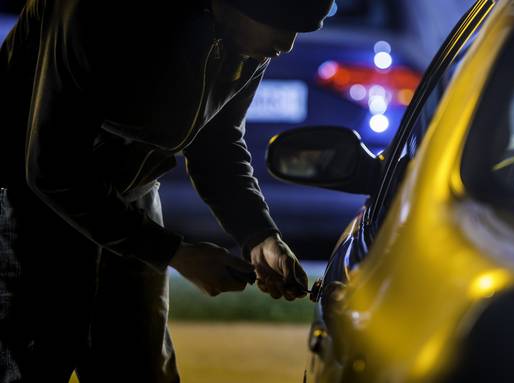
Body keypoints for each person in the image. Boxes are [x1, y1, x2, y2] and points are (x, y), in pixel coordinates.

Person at [0, 0, 334, 381]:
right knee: (31, 361)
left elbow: (217, 143)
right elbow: (52, 167)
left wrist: (259, 235)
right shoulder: (98, 13)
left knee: (140, 367)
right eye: (280, 22)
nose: (287, 44)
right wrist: (173, 252)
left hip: (131, 195)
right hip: (24, 201)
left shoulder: (248, 39)